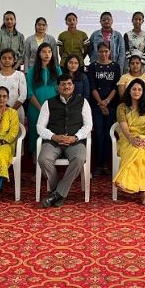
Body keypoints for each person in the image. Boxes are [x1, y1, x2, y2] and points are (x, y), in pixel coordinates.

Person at [37, 74, 93, 208]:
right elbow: (39, 126)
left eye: (69, 84)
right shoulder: (48, 103)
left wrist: (76, 137)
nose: (66, 87)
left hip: (74, 141)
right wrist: (53, 136)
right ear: (58, 87)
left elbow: (88, 125)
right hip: (53, 141)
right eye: (63, 84)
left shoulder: (83, 102)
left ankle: (56, 194)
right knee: (43, 159)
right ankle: (60, 192)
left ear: (73, 86)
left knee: (80, 158)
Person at [113, 79, 145, 206]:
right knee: (137, 150)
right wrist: (131, 139)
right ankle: (142, 191)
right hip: (127, 138)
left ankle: (138, 187)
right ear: (129, 91)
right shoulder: (122, 107)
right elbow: (123, 127)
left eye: (139, 89)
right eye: (134, 89)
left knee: (144, 152)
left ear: (143, 91)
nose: (136, 92)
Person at [88, 42, 121, 176]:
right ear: (97, 52)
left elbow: (116, 86)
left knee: (109, 133)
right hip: (96, 105)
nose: (103, 54)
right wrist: (101, 103)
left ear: (110, 52)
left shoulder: (115, 66)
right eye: (101, 51)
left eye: (106, 51)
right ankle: (98, 164)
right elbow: (92, 87)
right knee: (98, 134)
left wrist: (107, 101)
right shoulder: (92, 66)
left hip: (111, 104)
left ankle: (107, 164)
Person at [26, 43, 63, 160]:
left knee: (51, 132)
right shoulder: (32, 71)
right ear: (39, 54)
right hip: (35, 108)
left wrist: (54, 107)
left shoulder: (57, 70)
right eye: (44, 52)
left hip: (54, 108)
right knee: (34, 132)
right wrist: (40, 108)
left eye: (49, 52)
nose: (47, 54)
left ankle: (49, 158)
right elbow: (29, 92)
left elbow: (61, 90)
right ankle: (35, 159)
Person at [0, 49, 27, 124]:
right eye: (4, 58)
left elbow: (23, 95)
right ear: (0, 60)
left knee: (17, 130)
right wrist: (0, 110)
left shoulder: (20, 75)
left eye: (10, 58)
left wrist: (11, 111)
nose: (7, 60)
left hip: (16, 110)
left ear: (14, 60)